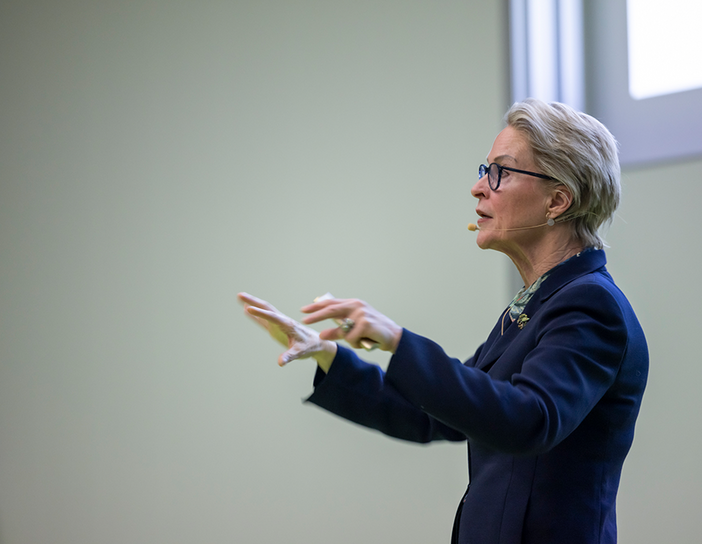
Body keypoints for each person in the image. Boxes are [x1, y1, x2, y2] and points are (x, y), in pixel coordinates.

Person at [238, 98, 648, 544]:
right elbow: (433, 414)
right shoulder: (533, 307)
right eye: (484, 170)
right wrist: (328, 356)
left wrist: (397, 340)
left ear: (557, 200)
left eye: (500, 172)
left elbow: (530, 419)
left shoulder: (590, 304)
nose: (478, 188)